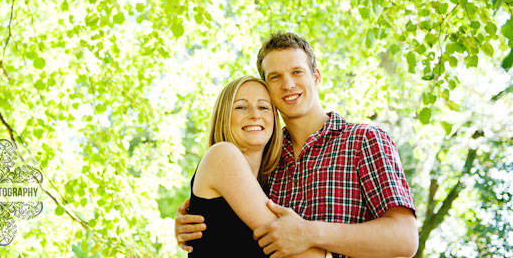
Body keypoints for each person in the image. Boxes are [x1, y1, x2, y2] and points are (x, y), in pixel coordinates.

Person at [175, 32, 418, 258]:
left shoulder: (363, 140)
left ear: (316, 76)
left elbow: (405, 238)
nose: (288, 84)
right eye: (275, 77)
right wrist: (198, 217)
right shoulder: (267, 158)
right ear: (267, 88)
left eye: (297, 72)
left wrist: (310, 232)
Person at [186, 75, 327, 257]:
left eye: (263, 107)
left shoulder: (272, 182)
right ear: (224, 116)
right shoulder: (222, 154)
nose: (254, 114)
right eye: (241, 107)